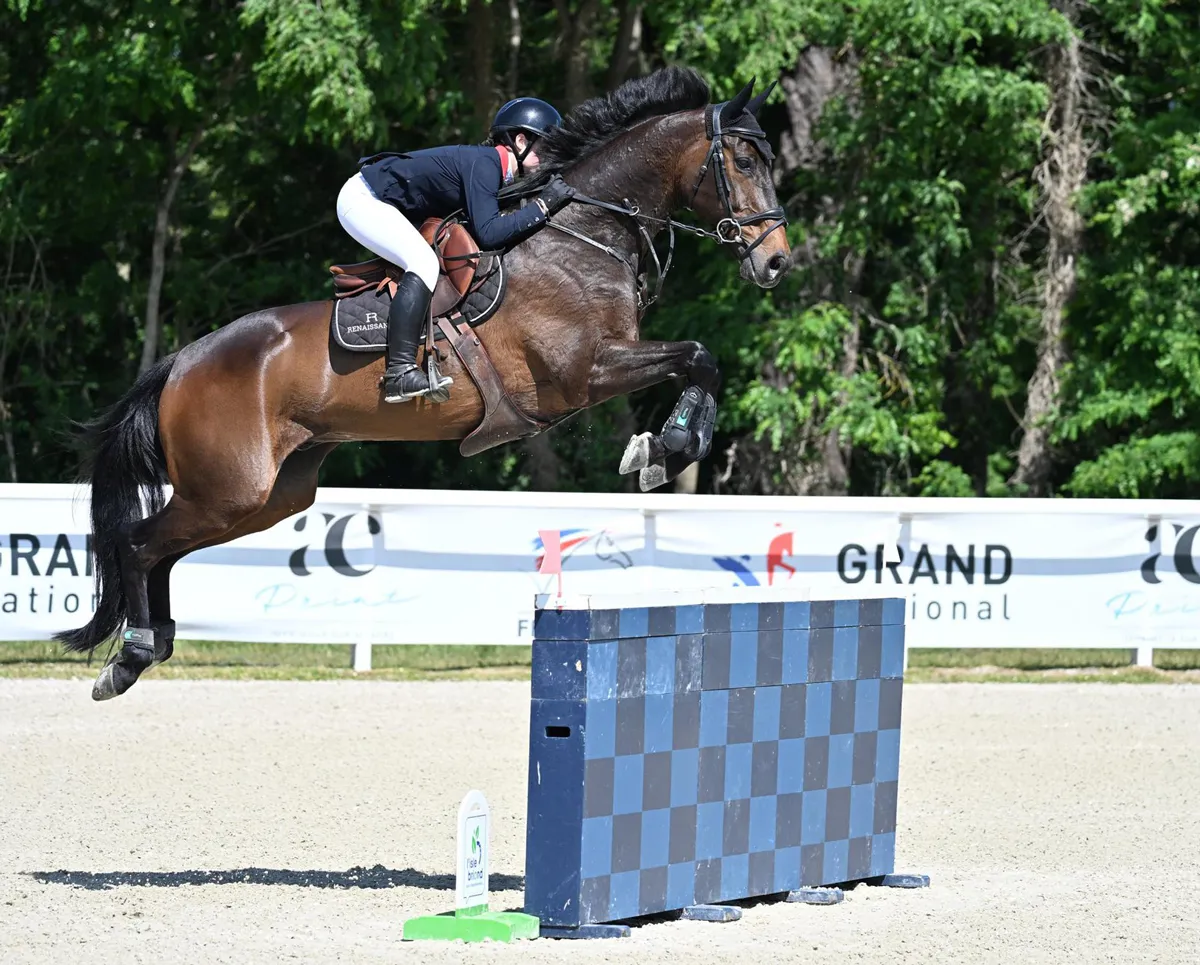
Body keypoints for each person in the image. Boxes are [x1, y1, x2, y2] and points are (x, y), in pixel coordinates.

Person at [336, 97, 575, 403]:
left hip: (380, 202)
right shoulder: (486, 163)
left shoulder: (493, 169)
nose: (549, 157)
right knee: (422, 262)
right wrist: (544, 206)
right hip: (362, 200)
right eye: (546, 148)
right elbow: (489, 234)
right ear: (520, 140)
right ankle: (399, 372)